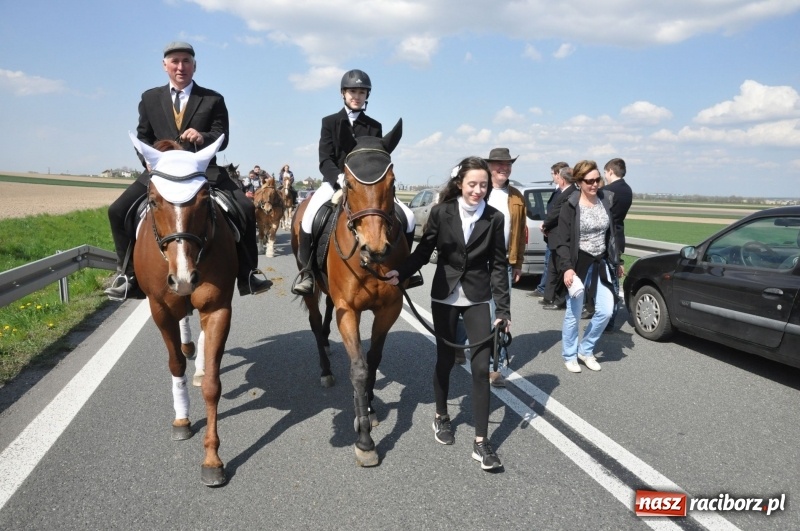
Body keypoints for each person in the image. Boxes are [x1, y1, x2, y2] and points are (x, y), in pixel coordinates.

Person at [105, 41, 272, 300]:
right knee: (117, 211)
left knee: (246, 208)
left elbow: (222, 137)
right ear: (165, 66)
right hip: (161, 171)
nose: (180, 66)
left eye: (186, 61)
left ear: (195, 66)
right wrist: (147, 161)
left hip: (203, 170)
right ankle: (127, 275)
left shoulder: (213, 99)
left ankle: (248, 273)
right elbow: (143, 137)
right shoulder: (149, 98)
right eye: (175, 61)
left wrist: (202, 136)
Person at [384, 157, 511, 471]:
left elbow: (498, 265)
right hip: (444, 296)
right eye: (472, 184)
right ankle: (441, 415)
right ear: (460, 184)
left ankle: (482, 443)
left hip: (478, 299)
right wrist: (400, 273)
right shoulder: (441, 213)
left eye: (483, 184)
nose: (478, 190)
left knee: (481, 368)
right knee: (444, 359)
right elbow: (424, 251)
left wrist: (504, 310)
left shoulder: (494, 218)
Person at [292, 69, 419, 295]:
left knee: (407, 217)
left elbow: (377, 160)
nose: (356, 96)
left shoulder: (374, 125)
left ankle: (406, 270)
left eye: (361, 92)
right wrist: (339, 177)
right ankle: (308, 273)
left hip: (367, 188)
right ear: (343, 93)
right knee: (309, 217)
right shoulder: (329, 122)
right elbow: (325, 159)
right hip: (335, 182)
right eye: (352, 91)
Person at [551, 160, 622, 373]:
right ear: (579, 182)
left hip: (601, 262)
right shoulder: (570, 206)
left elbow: (613, 234)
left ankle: (586, 349)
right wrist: (567, 268)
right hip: (578, 263)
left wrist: (617, 261)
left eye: (597, 179)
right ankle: (569, 354)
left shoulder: (606, 200)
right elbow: (562, 241)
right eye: (589, 181)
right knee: (574, 312)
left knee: (606, 310)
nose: (594, 185)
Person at [482, 147, 526, 387]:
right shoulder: (480, 191)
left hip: (504, 264)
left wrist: (518, 263)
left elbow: (520, 235)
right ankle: (460, 344)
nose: (504, 168)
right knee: (469, 310)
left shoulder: (517, 197)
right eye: (499, 164)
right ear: (490, 166)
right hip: (478, 264)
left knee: (498, 316)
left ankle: (492, 367)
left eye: (508, 164)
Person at [529, 162, 569, 298]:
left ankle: (548, 292)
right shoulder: (558, 190)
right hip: (550, 232)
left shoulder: (564, 192)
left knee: (552, 265)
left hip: (555, 233)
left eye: (553, 174)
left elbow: (556, 212)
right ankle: (546, 290)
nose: (552, 177)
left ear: (559, 174)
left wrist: (546, 225)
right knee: (549, 264)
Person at [539, 165, 576, 310]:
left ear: (562, 180)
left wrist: (545, 225)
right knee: (553, 267)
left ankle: (560, 300)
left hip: (562, 237)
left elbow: (556, 214)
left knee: (562, 270)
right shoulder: (564, 192)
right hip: (555, 236)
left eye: (558, 177)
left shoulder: (571, 193)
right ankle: (549, 297)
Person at [602, 158, 632, 332]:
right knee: (612, 278)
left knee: (608, 281)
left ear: (611, 171)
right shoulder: (627, 190)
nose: (605, 176)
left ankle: (608, 319)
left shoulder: (607, 191)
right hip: (619, 237)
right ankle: (609, 318)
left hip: (607, 240)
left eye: (606, 173)